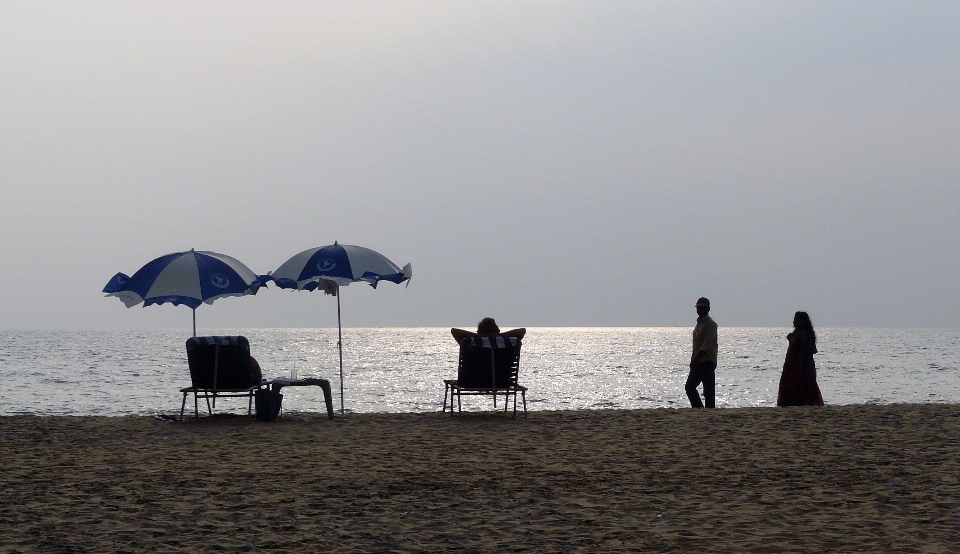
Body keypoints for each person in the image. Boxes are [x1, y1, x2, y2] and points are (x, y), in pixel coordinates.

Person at [777, 311, 824, 406]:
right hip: (792, 363)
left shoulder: (805, 334)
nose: (794, 321)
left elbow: (810, 350)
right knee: (791, 385)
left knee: (801, 385)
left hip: (802, 363)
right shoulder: (799, 333)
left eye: (796, 319)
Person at [685, 297, 718, 408]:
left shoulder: (710, 324)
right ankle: (702, 409)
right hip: (699, 360)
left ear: (708, 309)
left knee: (691, 387)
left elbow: (707, 345)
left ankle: (701, 409)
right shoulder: (699, 324)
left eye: (702, 308)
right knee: (705, 390)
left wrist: (696, 359)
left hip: (706, 360)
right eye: (698, 307)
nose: (699, 310)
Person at [451, 317, 526, 344]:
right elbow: (522, 331)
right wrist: (496, 336)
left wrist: (480, 337)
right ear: (497, 330)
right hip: (502, 379)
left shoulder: (472, 343)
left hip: (474, 379)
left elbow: (454, 331)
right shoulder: (507, 344)